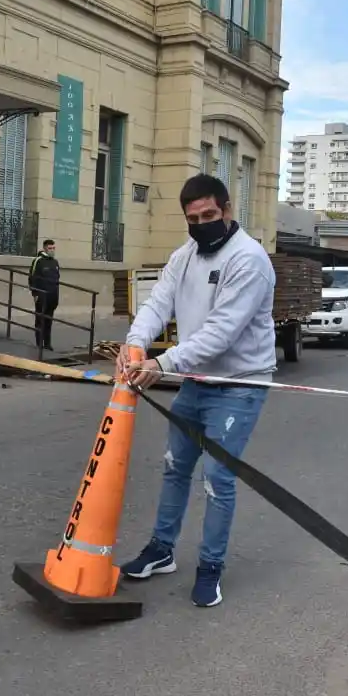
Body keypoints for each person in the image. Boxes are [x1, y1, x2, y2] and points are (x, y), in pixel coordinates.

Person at [117, 173, 276, 608]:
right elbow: (157, 303)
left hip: (238, 384)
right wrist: (135, 345)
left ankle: (211, 568)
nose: (203, 223)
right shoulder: (185, 256)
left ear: (226, 210)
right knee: (175, 466)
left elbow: (221, 333)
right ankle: (162, 550)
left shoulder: (249, 260)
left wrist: (162, 363)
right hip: (197, 380)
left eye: (210, 215)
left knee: (218, 480)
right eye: (193, 218)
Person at [29, 239, 60, 351]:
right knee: (40, 320)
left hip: (52, 297)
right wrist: (35, 293)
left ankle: (47, 344)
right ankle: (39, 344)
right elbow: (32, 277)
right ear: (45, 248)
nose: (52, 250)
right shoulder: (38, 261)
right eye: (50, 248)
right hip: (42, 296)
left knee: (48, 321)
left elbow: (57, 279)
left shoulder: (55, 262)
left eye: (53, 248)